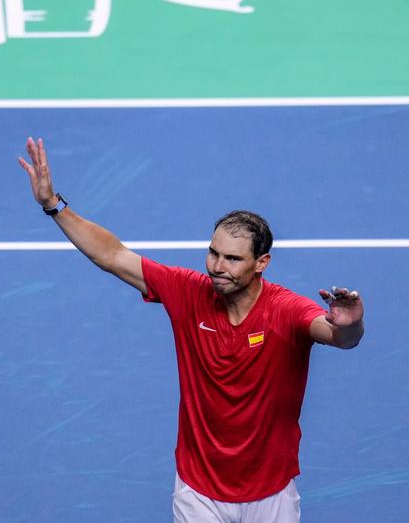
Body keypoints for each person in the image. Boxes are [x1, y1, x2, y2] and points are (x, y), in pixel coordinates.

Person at [19, 137, 364, 523]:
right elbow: (114, 255)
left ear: (262, 262)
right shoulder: (188, 291)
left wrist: (352, 326)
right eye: (214, 253)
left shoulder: (285, 309)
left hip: (272, 494)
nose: (217, 267)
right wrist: (54, 205)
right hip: (199, 493)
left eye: (233, 259)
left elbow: (337, 336)